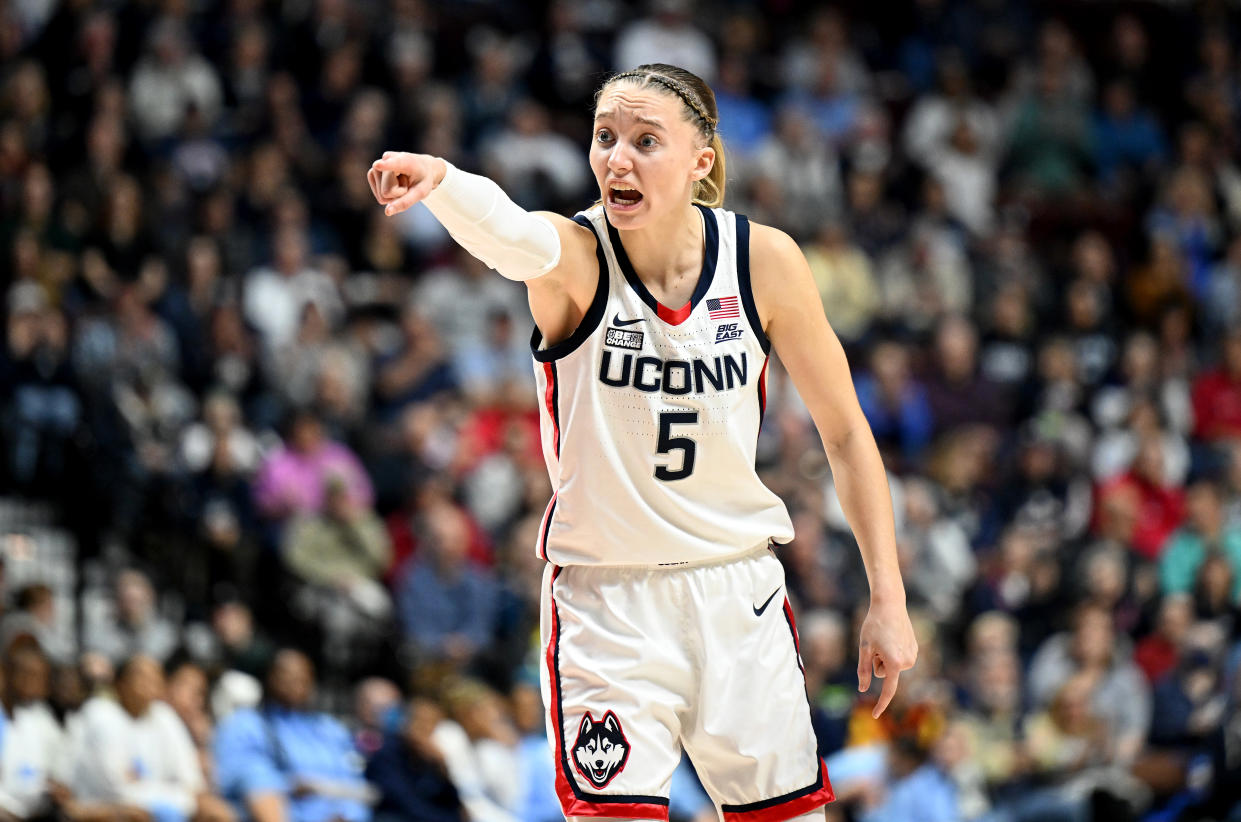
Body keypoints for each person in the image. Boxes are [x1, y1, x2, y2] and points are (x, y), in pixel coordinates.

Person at [367, 63, 917, 822]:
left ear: (701, 159)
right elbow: (510, 232)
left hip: (737, 594)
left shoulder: (763, 261)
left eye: (644, 140)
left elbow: (848, 435)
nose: (615, 158)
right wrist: (444, 181)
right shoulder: (577, 257)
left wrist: (886, 597)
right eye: (604, 137)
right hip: (608, 602)